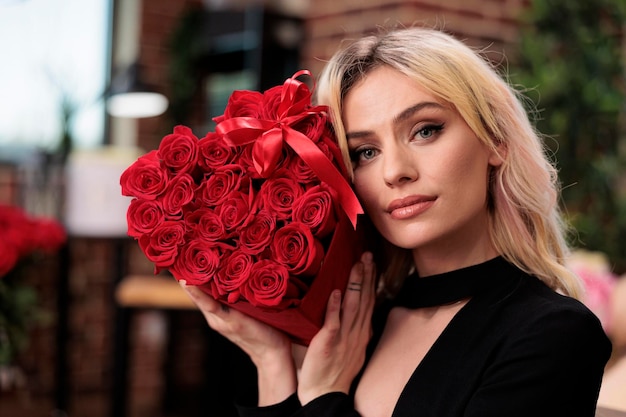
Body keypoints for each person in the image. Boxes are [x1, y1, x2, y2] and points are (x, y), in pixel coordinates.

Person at [180, 27, 612, 416]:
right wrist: (271, 363)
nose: (395, 172)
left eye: (425, 130)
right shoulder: (356, 325)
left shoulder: (552, 334)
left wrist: (327, 397)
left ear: (494, 140)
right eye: (365, 152)